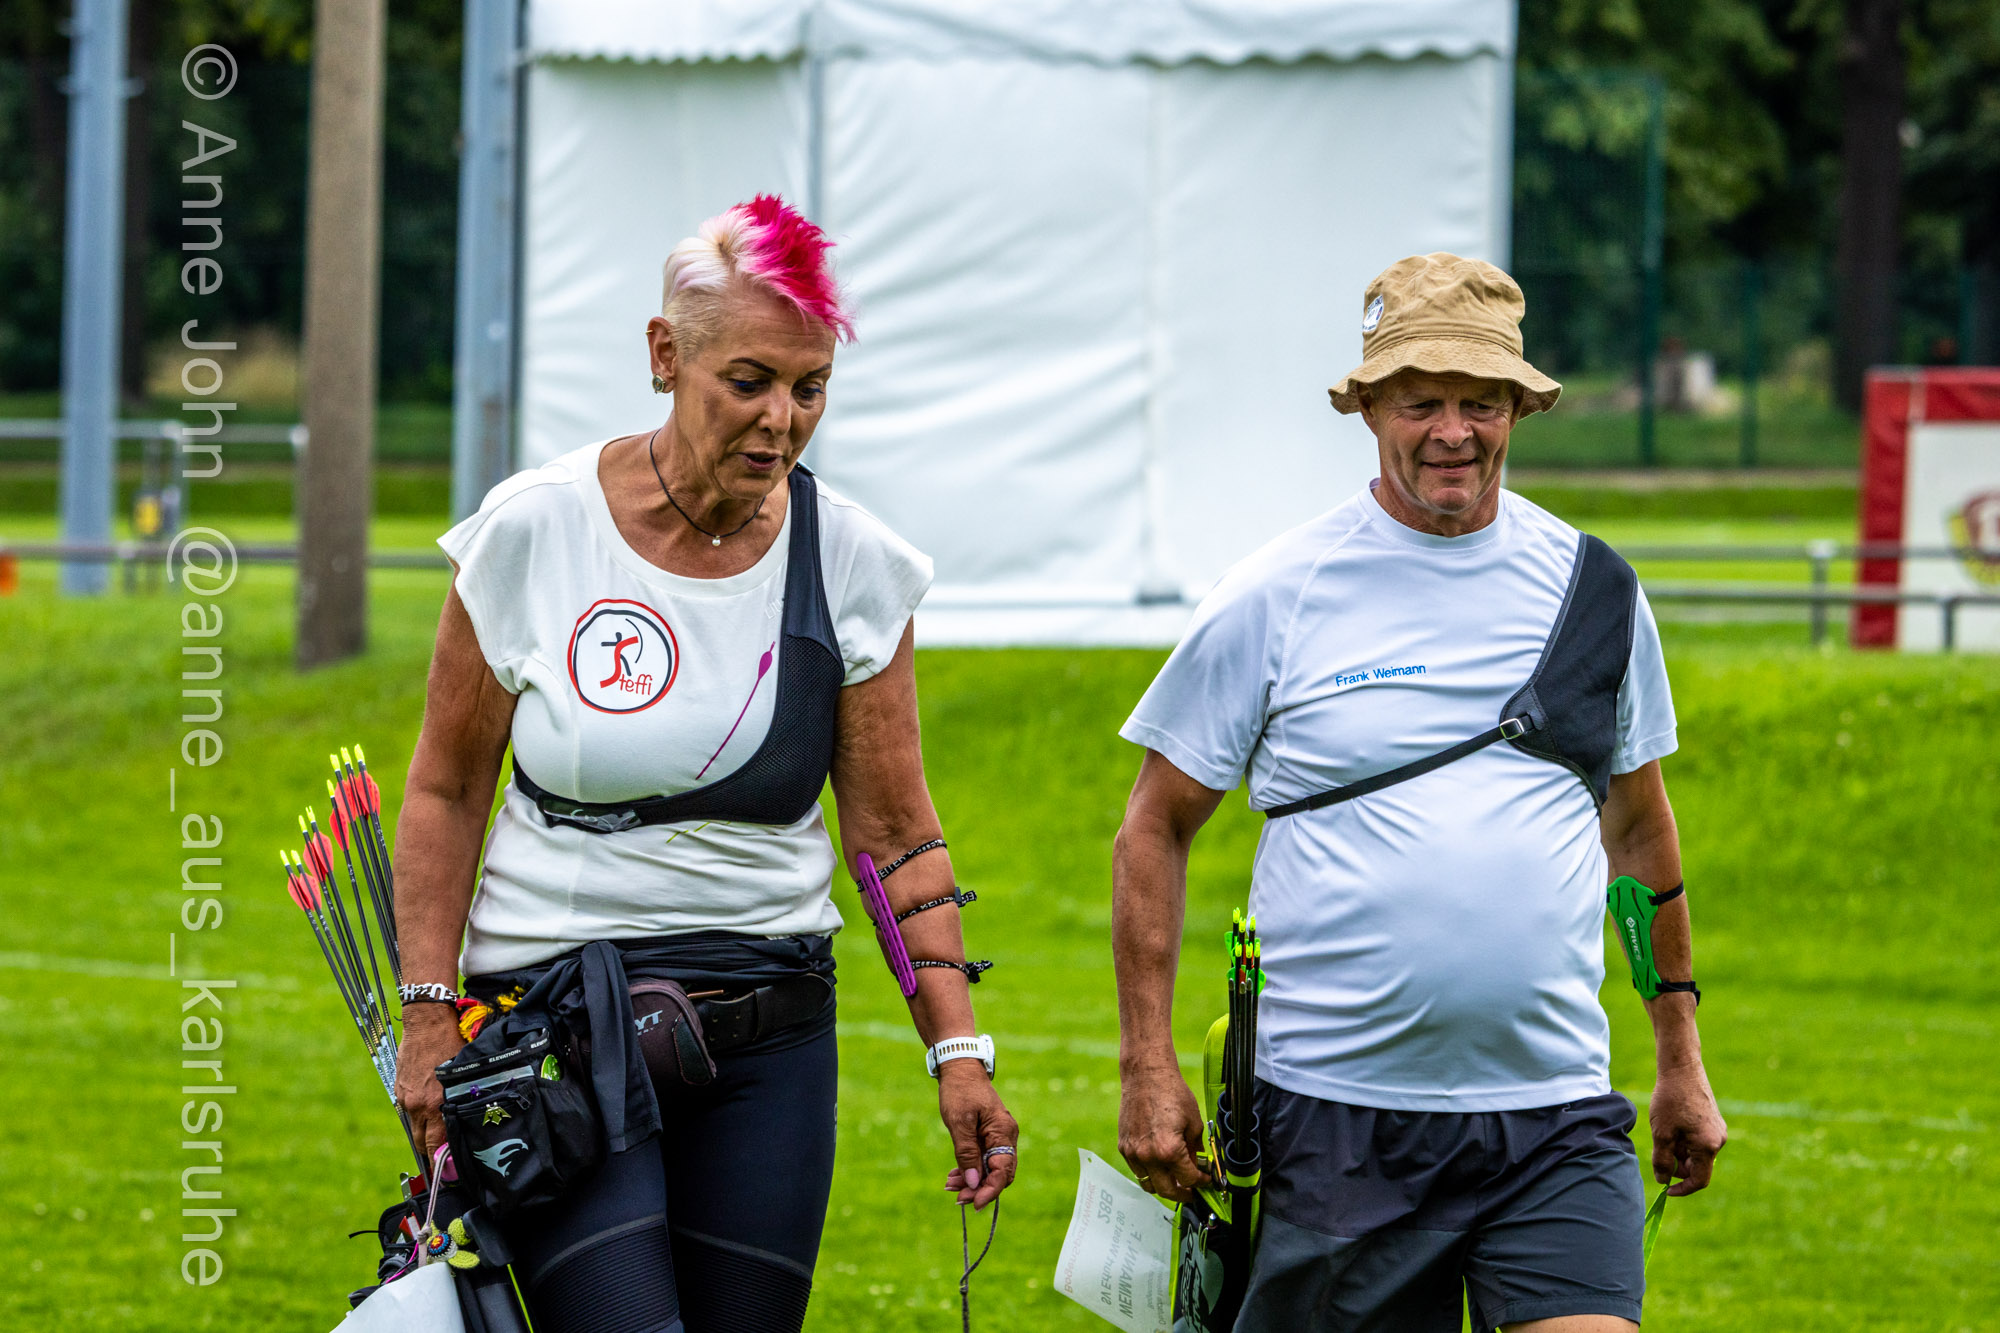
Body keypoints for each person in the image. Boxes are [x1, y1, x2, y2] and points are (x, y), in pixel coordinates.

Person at [391, 195, 1018, 1333]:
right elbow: (445, 787)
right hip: (556, 1027)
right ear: (665, 355)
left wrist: (958, 1051)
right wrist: (429, 1014)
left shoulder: (854, 560)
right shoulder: (535, 530)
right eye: (749, 380)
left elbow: (896, 835)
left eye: (810, 387)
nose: (782, 419)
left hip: (772, 1037)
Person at [1110, 253, 1725, 1333]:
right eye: (1421, 402)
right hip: (1337, 1121)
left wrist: (1680, 1057)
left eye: (1479, 402)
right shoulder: (1276, 592)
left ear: (1517, 409)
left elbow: (1637, 830)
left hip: (1553, 1116)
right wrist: (1147, 1063)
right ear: (1369, 410)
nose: (1452, 432)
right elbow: (1153, 826)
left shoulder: (1596, 590)